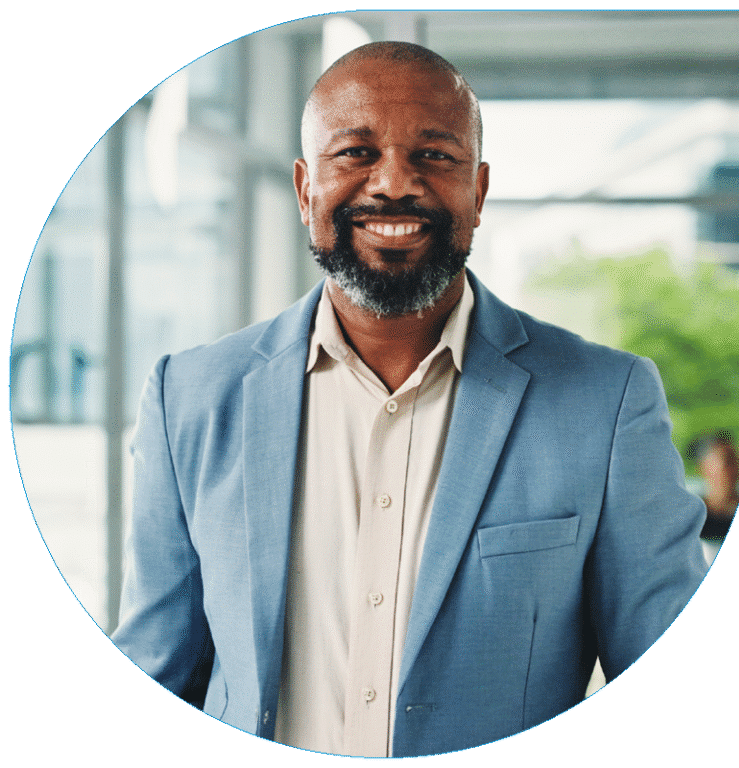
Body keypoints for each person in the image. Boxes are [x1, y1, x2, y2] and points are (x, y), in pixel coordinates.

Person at [112, 42, 708, 758]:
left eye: (434, 156)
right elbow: (153, 677)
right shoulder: (190, 399)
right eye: (355, 153)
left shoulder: (606, 403)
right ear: (305, 190)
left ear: (478, 193)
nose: (393, 183)